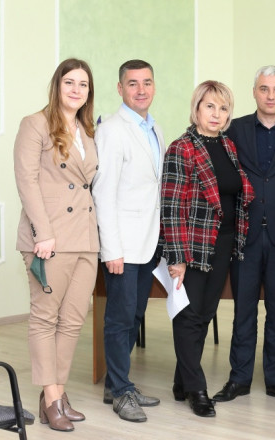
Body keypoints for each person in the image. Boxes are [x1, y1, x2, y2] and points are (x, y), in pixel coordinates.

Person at [212, 66, 275, 405]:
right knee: (243, 310)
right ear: (254, 92)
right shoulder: (234, 129)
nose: (270, 95)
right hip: (244, 233)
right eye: (264, 89)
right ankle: (239, 378)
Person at [14, 58, 99, 432]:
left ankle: (58, 394)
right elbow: (27, 181)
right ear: (57, 86)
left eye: (83, 84)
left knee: (73, 320)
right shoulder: (35, 124)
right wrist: (42, 234)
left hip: (86, 237)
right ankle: (51, 399)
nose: (77, 90)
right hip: (49, 238)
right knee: (46, 317)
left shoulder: (87, 130)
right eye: (70, 82)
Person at [161, 80, 254, 418]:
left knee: (204, 315)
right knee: (188, 316)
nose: (216, 114)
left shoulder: (228, 146)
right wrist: (178, 257)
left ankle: (182, 382)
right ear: (196, 109)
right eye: (210, 106)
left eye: (223, 108)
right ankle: (197, 390)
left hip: (224, 242)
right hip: (192, 244)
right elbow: (171, 207)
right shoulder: (181, 148)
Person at [91, 59, 164, 423]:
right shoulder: (111, 130)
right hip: (122, 245)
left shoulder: (155, 128)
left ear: (154, 87)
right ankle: (121, 392)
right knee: (120, 319)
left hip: (148, 243)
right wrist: (112, 250)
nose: (141, 89)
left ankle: (116, 384)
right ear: (120, 88)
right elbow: (103, 193)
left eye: (146, 82)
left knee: (134, 315)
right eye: (132, 83)